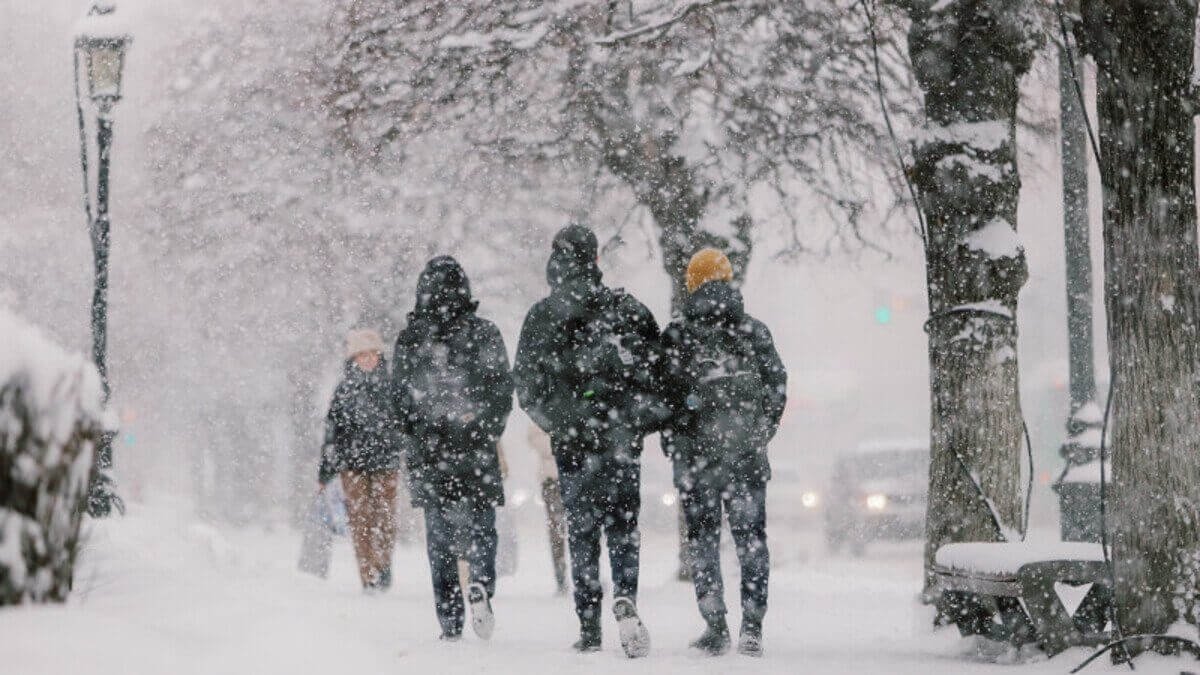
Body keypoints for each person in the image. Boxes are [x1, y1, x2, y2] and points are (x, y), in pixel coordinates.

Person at [513, 224, 665, 657]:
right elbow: (658, 374)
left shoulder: (543, 316)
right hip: (620, 440)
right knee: (623, 527)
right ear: (595, 260)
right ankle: (626, 597)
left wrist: (563, 422)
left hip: (574, 445)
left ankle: (589, 624)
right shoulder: (626, 309)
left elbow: (527, 385)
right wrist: (633, 420)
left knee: (580, 531)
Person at [659, 248, 787, 657]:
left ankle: (715, 625)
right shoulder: (754, 331)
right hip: (745, 456)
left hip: (696, 460)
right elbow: (777, 386)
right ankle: (753, 626)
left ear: (691, 282)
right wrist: (759, 432)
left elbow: (664, 397)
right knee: (751, 539)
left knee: (702, 540)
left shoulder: (677, 335)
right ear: (729, 279)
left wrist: (679, 433)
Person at [392, 256, 513, 642]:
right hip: (475, 448)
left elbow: (399, 400)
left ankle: (449, 618)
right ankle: (479, 582)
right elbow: (500, 390)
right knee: (481, 526)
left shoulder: (411, 340)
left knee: (440, 534)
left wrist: (417, 432)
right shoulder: (484, 333)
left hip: (431, 452)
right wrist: (485, 427)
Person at [318, 328, 404, 592]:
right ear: (352, 359)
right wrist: (325, 472)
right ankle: (368, 575)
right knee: (360, 520)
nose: (367, 360)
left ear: (380, 356)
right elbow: (332, 432)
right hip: (352, 466)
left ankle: (383, 562)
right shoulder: (344, 391)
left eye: (371, 354)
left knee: (385, 518)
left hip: (386, 463)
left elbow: (404, 425)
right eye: (361, 355)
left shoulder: (392, 386)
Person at [527, 424, 568, 595]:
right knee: (556, 528)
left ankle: (585, 574)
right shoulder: (542, 409)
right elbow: (534, 438)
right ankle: (561, 576)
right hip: (552, 479)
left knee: (583, 527)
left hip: (576, 473)